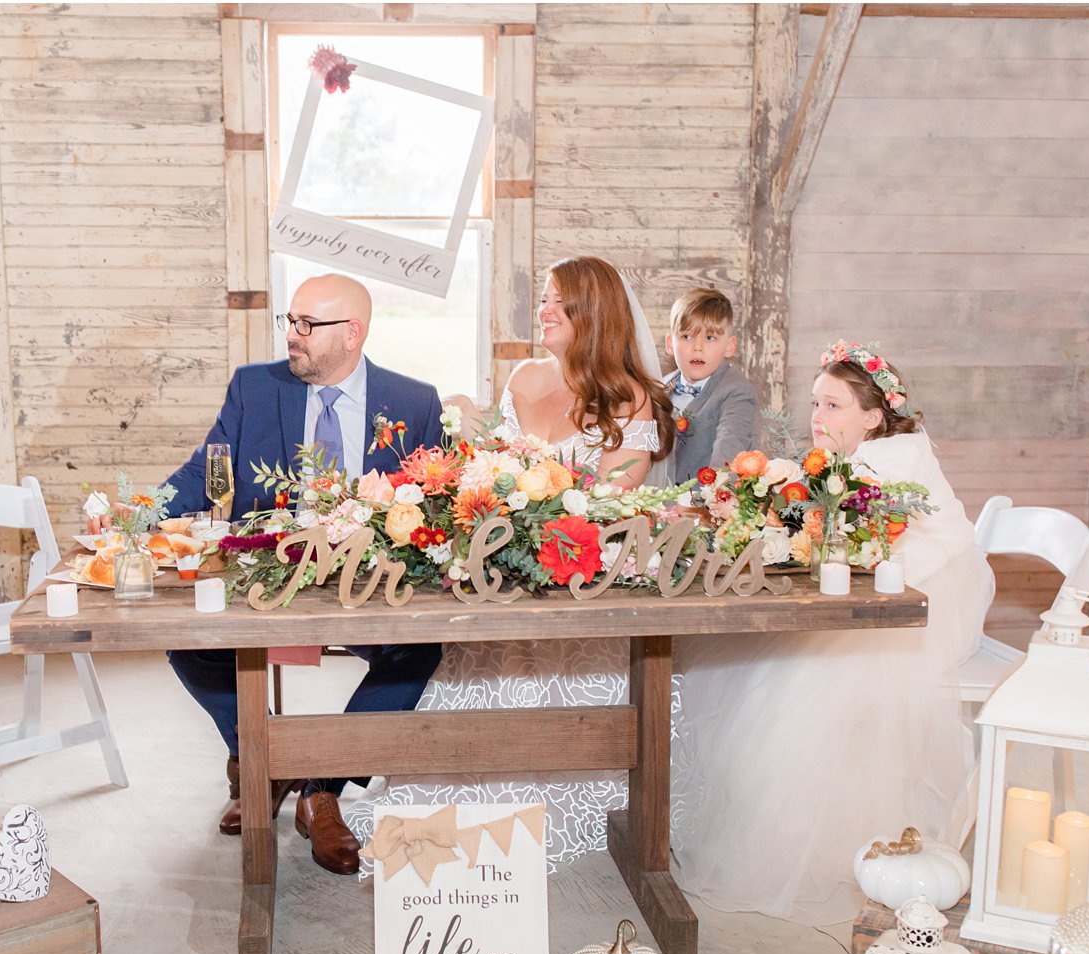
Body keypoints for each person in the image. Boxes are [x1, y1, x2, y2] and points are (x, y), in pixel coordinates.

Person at [343, 255, 674, 867]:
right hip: (502, 578)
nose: (542, 310)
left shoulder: (630, 401)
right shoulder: (523, 376)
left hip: (577, 590)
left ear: (593, 313)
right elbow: (493, 469)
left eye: (557, 301)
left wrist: (538, 504)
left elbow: (612, 509)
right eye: (543, 298)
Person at [669, 343, 993, 923]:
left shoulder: (893, 462)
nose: (818, 417)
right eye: (815, 402)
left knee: (805, 685)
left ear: (873, 416)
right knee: (753, 662)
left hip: (929, 591)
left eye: (834, 405)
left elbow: (877, 545)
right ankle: (762, 814)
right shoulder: (849, 454)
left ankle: (818, 840)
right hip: (881, 581)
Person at [164, 273, 445, 876]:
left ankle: (322, 787)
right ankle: (259, 760)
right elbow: (203, 472)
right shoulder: (253, 388)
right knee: (185, 635)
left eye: (306, 325)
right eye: (289, 322)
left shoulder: (415, 402)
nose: (292, 335)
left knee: (419, 649)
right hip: (264, 570)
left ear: (352, 334)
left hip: (368, 579)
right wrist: (136, 515)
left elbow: (433, 498)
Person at [659, 287, 760, 484]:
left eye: (710, 337)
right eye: (687, 336)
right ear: (670, 344)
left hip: (706, 503)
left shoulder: (737, 391)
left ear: (730, 346)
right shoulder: (660, 387)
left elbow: (729, 452)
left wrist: (710, 496)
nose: (698, 347)